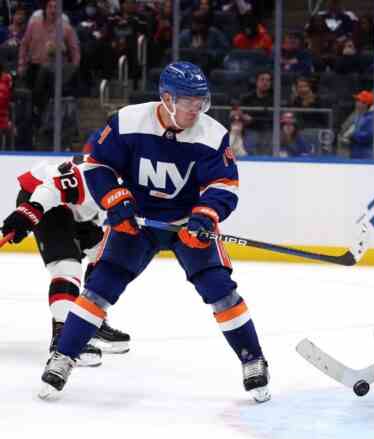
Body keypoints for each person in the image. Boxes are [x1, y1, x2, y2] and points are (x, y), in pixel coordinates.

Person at [38, 61, 270, 404]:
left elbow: (224, 184)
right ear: (166, 98)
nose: (197, 108)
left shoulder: (211, 134)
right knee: (99, 287)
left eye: (201, 101)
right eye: (189, 101)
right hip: (137, 222)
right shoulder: (129, 121)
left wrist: (205, 218)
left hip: (188, 224)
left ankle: (253, 360)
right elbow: (96, 164)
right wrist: (116, 202)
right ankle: (64, 355)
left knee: (219, 289)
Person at [1, 154, 131, 367]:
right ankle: (63, 338)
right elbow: (52, 188)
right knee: (67, 266)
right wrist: (28, 212)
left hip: (79, 211)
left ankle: (89, 322)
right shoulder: (99, 172)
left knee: (107, 257)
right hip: (44, 196)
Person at [347, 90, 374, 159]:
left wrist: (353, 136)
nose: (356, 103)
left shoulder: (370, 119)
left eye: (359, 101)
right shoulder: (360, 116)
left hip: (364, 157)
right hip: (356, 155)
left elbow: (369, 136)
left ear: (365, 104)